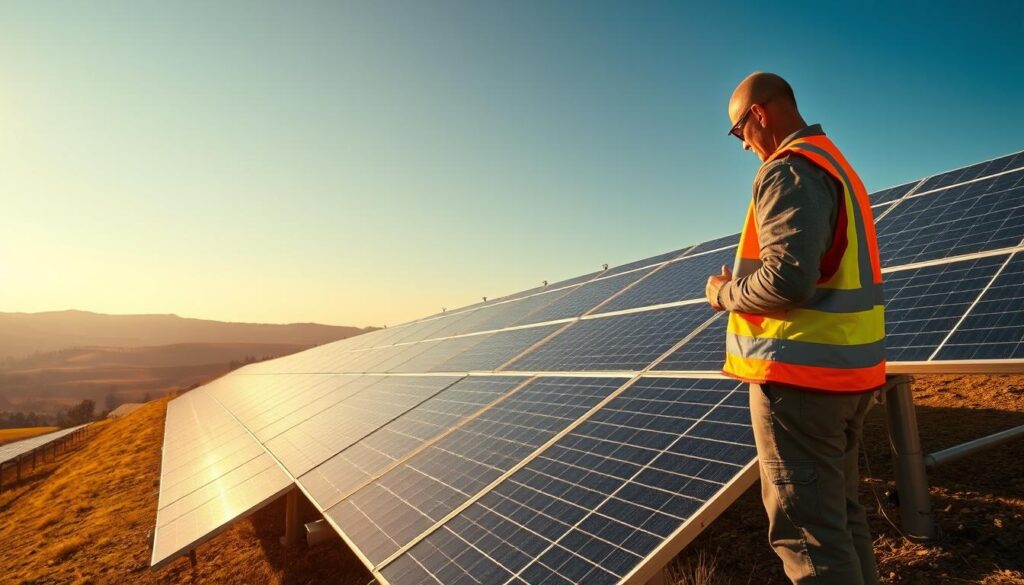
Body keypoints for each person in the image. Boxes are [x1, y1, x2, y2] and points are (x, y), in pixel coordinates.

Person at [705, 72, 886, 585]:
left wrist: (722, 295)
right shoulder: (837, 167)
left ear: (759, 115)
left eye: (739, 132)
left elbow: (787, 280)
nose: (743, 146)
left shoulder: (787, 170)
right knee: (840, 523)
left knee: (808, 539)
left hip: (799, 385)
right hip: (845, 378)